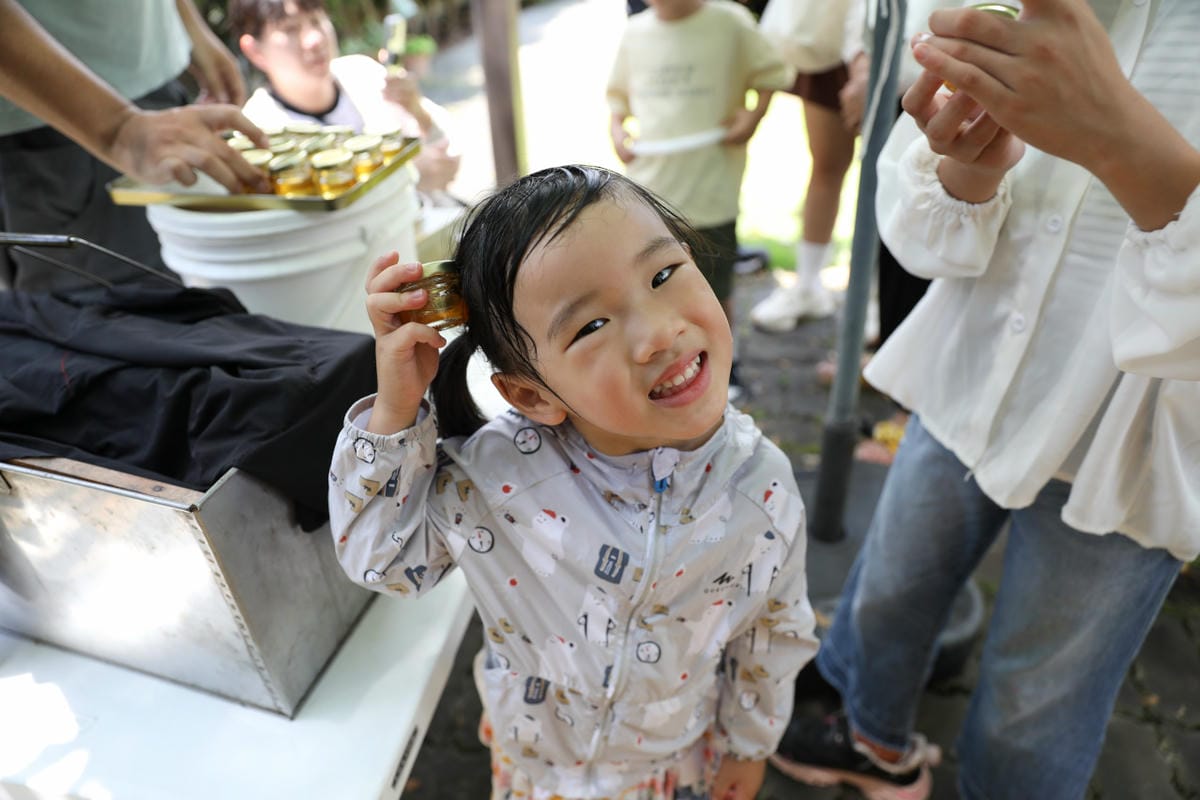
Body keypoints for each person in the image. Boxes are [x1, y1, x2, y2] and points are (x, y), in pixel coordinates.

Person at [770, 0, 1200, 798]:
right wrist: (968, 168)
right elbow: (914, 220)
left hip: (1136, 439)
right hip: (967, 379)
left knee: (1033, 709)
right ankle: (867, 742)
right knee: (891, 589)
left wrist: (1121, 137)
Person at [328, 165, 818, 799]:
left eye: (663, 275)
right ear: (531, 395)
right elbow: (382, 562)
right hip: (535, 771)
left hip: (670, 773)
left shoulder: (762, 490)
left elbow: (774, 632)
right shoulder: (498, 478)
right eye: (590, 326)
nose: (658, 332)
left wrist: (750, 749)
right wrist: (395, 411)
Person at [0, 0, 267, 292]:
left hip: (154, 101)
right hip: (58, 130)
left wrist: (187, 28)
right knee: (118, 323)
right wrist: (119, 130)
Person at [606, 0, 795, 403]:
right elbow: (618, 98)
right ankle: (673, 366)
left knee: (712, 285)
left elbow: (772, 73)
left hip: (711, 191)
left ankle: (726, 362)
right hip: (651, 195)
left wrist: (752, 116)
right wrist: (618, 132)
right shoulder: (636, 32)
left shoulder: (729, 22)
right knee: (652, 287)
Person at [230, 0, 461, 202]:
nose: (314, 39)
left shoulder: (363, 74)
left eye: (317, 20)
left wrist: (417, 110)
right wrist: (409, 176)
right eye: (290, 29)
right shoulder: (256, 130)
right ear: (254, 51)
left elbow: (450, 155)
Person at [748, 0, 862, 331]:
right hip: (829, 34)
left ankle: (878, 300)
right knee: (827, 164)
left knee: (893, 173)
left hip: (894, 39)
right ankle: (808, 285)